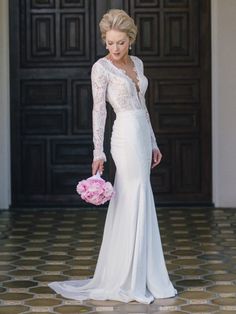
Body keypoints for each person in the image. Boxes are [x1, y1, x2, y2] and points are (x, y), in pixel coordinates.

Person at [49, 9, 177, 304]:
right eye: (109, 43)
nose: (115, 48)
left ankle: (144, 273)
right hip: (124, 136)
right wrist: (98, 151)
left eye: (120, 42)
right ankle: (126, 277)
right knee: (132, 194)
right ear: (105, 41)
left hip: (142, 135)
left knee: (141, 195)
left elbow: (143, 107)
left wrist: (154, 142)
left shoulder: (138, 63)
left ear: (130, 40)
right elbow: (99, 110)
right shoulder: (101, 68)